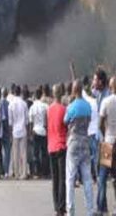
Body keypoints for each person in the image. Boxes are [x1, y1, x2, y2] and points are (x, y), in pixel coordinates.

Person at [65, 81, 95, 216]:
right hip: (85, 141)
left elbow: (65, 121)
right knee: (87, 178)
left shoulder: (71, 107)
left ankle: (71, 211)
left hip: (73, 142)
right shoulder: (88, 106)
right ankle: (90, 210)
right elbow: (89, 120)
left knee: (70, 178)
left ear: (73, 90)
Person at [97, 74, 116, 214]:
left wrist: (104, 135)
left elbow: (100, 123)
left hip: (108, 143)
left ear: (111, 87)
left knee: (103, 177)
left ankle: (102, 207)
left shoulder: (106, 101)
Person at [48, 84, 68, 216]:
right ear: (61, 94)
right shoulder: (64, 109)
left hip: (51, 146)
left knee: (55, 178)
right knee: (62, 178)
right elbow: (66, 126)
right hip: (61, 145)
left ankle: (56, 206)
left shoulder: (49, 110)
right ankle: (61, 207)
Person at [8, 85, 29, 179]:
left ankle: (16, 174)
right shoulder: (24, 104)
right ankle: (24, 173)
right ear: (20, 92)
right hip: (23, 130)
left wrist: (10, 132)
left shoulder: (11, 104)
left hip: (15, 131)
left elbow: (10, 121)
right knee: (23, 153)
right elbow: (27, 120)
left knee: (15, 153)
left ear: (13, 92)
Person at [29, 87, 49, 178]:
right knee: (44, 153)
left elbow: (30, 122)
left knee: (35, 153)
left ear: (35, 96)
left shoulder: (32, 107)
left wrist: (30, 132)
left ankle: (37, 172)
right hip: (44, 131)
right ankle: (45, 172)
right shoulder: (45, 106)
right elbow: (48, 119)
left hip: (35, 131)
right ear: (41, 95)